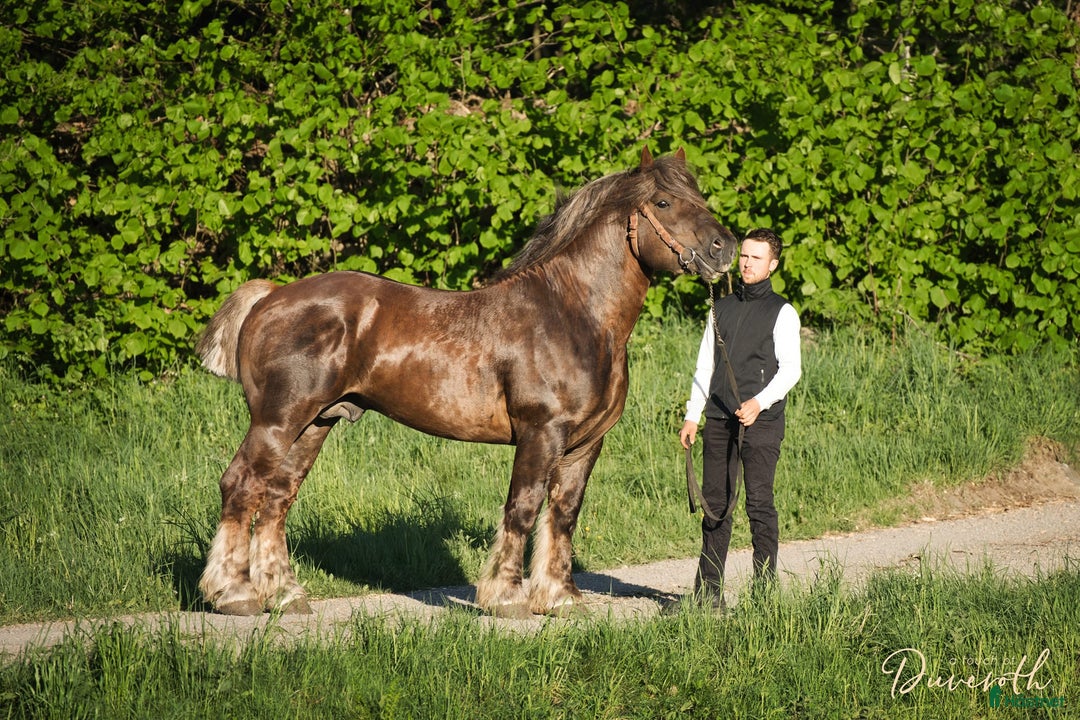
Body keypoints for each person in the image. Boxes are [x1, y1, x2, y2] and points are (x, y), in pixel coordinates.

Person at [673, 228, 802, 611]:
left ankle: (763, 597)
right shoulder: (721, 308)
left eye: (756, 258)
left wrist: (759, 403)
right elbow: (705, 363)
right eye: (744, 256)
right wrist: (692, 415)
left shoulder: (782, 311)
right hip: (718, 419)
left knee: (759, 506)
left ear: (772, 264)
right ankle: (708, 596)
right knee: (716, 508)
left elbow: (791, 370)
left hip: (761, 423)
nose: (747, 263)